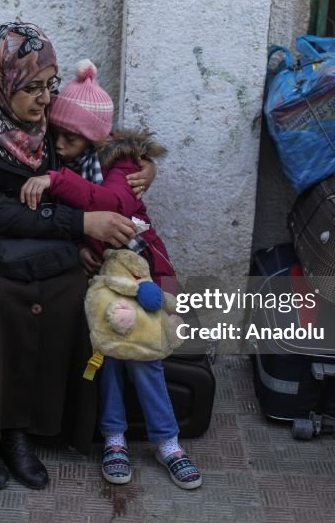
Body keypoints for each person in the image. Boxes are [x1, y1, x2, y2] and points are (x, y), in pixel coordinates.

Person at [0, 23, 155, 491]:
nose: (45, 100)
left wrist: (140, 166)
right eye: (33, 88)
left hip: (29, 245)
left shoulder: (42, 122)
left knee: (67, 292)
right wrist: (80, 226)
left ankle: (22, 428)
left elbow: (100, 147)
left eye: (51, 85)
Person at [18, 60, 203, 490]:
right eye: (56, 135)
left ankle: (168, 442)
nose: (59, 145)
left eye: (70, 137)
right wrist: (81, 246)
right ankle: (114, 437)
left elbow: (114, 205)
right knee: (108, 358)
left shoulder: (116, 166)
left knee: (143, 358)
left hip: (145, 276)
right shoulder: (71, 158)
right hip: (104, 280)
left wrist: (55, 180)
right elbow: (67, 220)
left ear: (95, 138)